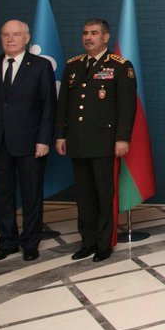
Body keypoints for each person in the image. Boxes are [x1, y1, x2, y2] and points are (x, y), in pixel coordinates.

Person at [0, 19, 56, 262]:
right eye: (5, 34)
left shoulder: (40, 66)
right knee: (3, 195)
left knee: (31, 195)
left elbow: (49, 106)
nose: (10, 39)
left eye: (16, 34)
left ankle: (30, 242)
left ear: (26, 38)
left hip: (30, 143)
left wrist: (44, 140)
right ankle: (7, 242)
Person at [55, 19, 136, 262]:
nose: (88, 37)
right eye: (85, 33)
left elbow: (127, 106)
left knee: (104, 195)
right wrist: (60, 134)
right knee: (84, 196)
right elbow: (63, 104)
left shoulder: (120, 66)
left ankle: (104, 243)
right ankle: (87, 241)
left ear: (105, 37)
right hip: (78, 141)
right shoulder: (73, 66)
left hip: (104, 142)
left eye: (94, 33)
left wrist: (122, 138)